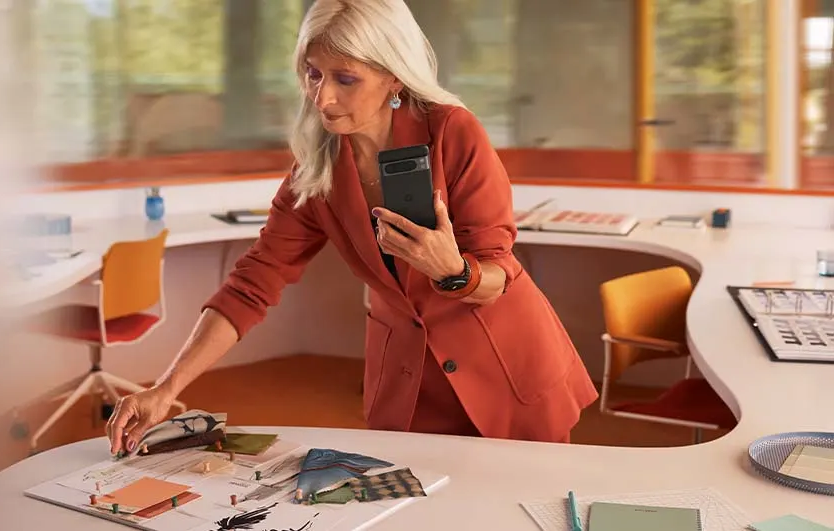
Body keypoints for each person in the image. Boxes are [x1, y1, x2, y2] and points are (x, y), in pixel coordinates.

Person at [107, 0, 597, 456]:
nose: (323, 97)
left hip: (505, 368)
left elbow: (497, 273)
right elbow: (253, 284)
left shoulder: (451, 131)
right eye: (312, 73)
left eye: (346, 78)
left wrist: (453, 271)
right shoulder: (317, 167)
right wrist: (166, 387)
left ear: (393, 78)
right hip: (410, 383)